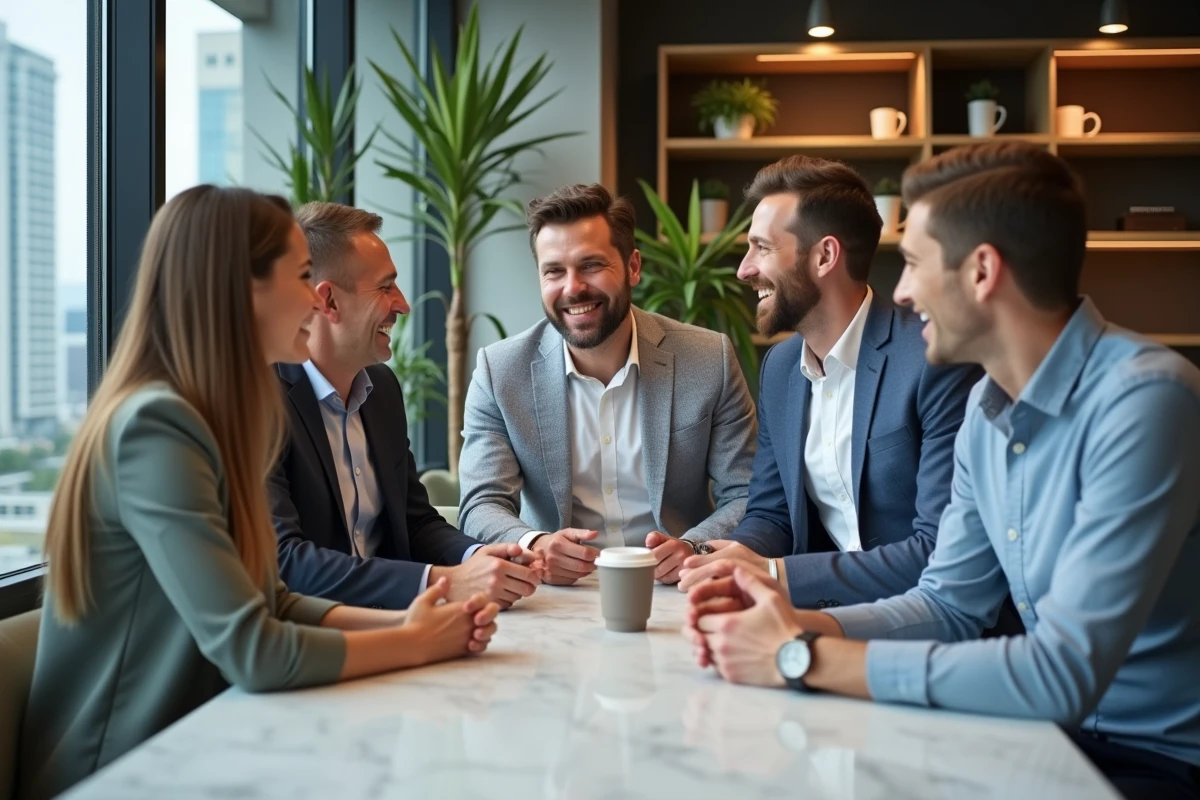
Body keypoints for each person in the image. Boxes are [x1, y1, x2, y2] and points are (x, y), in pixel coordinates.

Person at [683, 142, 1200, 800]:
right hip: (1027, 731)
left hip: (1144, 756)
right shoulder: (987, 411)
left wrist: (801, 655)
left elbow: (1063, 673)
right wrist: (786, 622)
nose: (900, 290)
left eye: (918, 263)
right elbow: (948, 604)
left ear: (982, 272)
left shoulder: (1147, 400)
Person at [19, 187, 500, 800]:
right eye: (301, 276)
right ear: (242, 291)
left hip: (209, 736)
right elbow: (253, 650)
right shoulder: (154, 428)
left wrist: (412, 622)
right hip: (124, 764)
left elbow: (272, 598)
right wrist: (412, 643)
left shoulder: (216, 418)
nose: (313, 297)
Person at [674, 155, 982, 610]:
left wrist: (775, 574)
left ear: (824, 256)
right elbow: (771, 514)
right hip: (825, 610)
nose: (743, 269)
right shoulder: (780, 368)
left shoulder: (934, 359)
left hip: (931, 626)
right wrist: (722, 555)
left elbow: (938, 549)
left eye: (761, 248)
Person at [457, 183, 757, 585]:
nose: (572, 287)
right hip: (554, 593)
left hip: (679, 586)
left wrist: (695, 547)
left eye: (591, 265)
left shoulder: (708, 359)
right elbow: (481, 503)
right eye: (554, 271)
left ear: (633, 266)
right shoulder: (499, 372)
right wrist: (534, 544)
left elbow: (746, 492)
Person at [269, 203, 542, 610]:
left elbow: (415, 521)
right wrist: (444, 581)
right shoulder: (262, 404)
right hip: (319, 639)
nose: (403, 304)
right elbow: (286, 562)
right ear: (328, 302)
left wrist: (474, 557)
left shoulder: (381, 390)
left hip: (401, 622)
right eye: (385, 287)